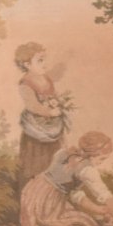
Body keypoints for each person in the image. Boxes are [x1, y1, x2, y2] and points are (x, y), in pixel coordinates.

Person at [15, 42, 72, 187]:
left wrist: (59, 104)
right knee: (38, 161)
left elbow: (54, 90)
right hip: (36, 129)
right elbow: (32, 105)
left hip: (52, 127)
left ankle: (55, 187)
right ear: (27, 64)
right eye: (40, 60)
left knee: (56, 156)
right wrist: (49, 112)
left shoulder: (46, 78)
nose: (44, 64)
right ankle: (35, 190)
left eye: (44, 59)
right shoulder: (25, 83)